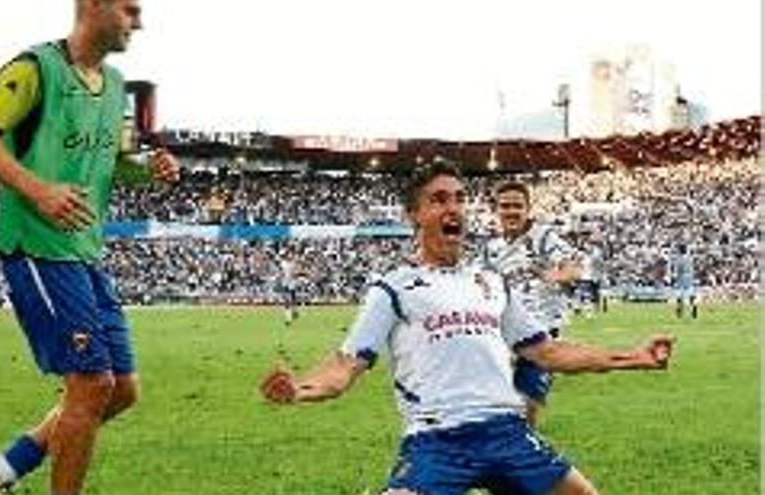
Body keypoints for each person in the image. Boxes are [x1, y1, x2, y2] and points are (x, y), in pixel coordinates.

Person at [259, 162, 673, 495]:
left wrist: (635, 356)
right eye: (439, 200)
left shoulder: (491, 283)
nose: (453, 208)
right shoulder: (393, 288)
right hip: (438, 441)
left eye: (459, 198)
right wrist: (299, 389)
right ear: (415, 215)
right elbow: (344, 367)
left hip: (507, 434)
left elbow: (548, 352)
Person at [0, 1, 180, 494]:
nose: (139, 23)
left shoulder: (117, 85)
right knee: (92, 384)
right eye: (130, 9)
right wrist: (40, 191)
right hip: (37, 248)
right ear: (94, 5)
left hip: (85, 252)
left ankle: (1, 473)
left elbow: (114, 163)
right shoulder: (34, 69)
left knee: (121, 390)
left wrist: (149, 170)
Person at [482, 181, 582, 426]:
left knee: (526, 410)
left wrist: (553, 276)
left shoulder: (542, 236)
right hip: (504, 336)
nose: (512, 211)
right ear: (496, 210)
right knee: (493, 411)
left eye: (518, 206)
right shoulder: (491, 249)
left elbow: (574, 269)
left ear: (528, 209)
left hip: (541, 335)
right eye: (505, 206)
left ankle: (519, 456)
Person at [670, 244, 698, 319]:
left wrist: (673, 279)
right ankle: (694, 306)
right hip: (690, 277)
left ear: (679, 250)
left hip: (681, 278)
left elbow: (676, 271)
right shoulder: (690, 258)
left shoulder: (678, 260)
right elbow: (693, 269)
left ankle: (680, 312)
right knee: (691, 295)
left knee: (679, 296)